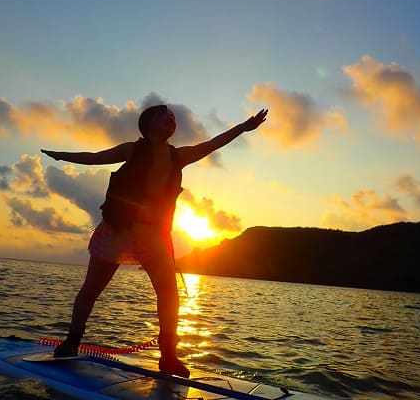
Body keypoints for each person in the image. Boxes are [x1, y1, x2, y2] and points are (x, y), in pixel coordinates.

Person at [41, 105, 267, 378]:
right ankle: (72, 341)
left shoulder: (178, 156)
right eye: (165, 115)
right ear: (148, 123)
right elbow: (95, 157)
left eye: (173, 117)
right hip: (117, 228)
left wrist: (243, 127)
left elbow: (212, 144)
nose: (172, 120)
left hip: (153, 235)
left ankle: (168, 357)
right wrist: (61, 155)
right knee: (92, 288)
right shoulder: (131, 149)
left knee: (169, 294)